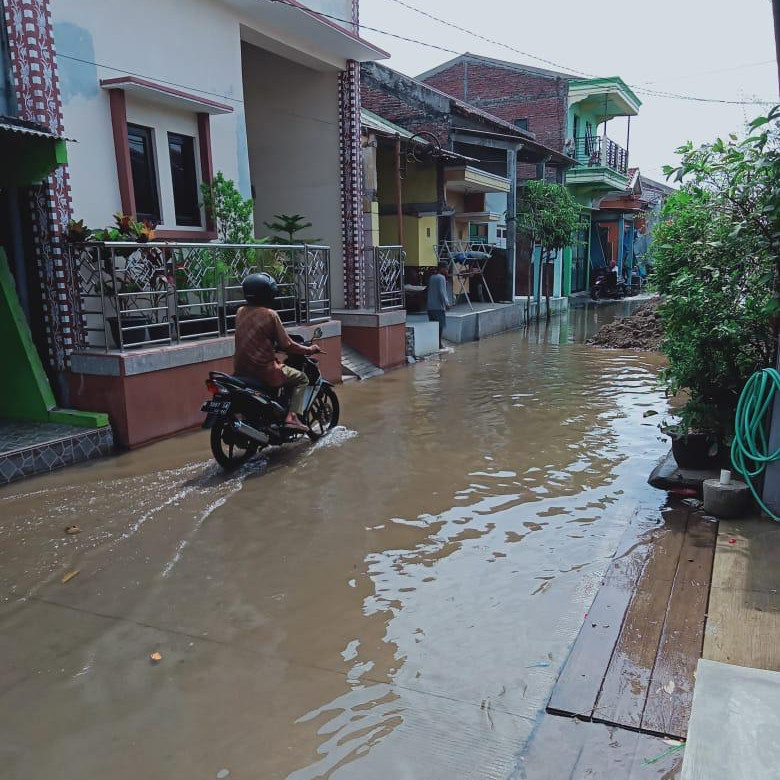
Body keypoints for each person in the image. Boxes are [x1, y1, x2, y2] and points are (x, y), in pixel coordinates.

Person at [234, 272, 321, 432]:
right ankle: (292, 418)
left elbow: (256, 336)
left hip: (241, 371)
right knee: (302, 378)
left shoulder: (240, 312)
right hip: (264, 370)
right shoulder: (270, 315)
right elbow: (287, 344)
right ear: (269, 293)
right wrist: (309, 349)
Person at [427, 261, 452, 349]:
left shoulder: (432, 277)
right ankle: (439, 344)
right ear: (441, 269)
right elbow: (442, 292)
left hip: (430, 307)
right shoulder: (441, 278)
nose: (447, 270)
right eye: (446, 268)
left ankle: (434, 343)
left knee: (433, 326)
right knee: (440, 326)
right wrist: (447, 304)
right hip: (438, 307)